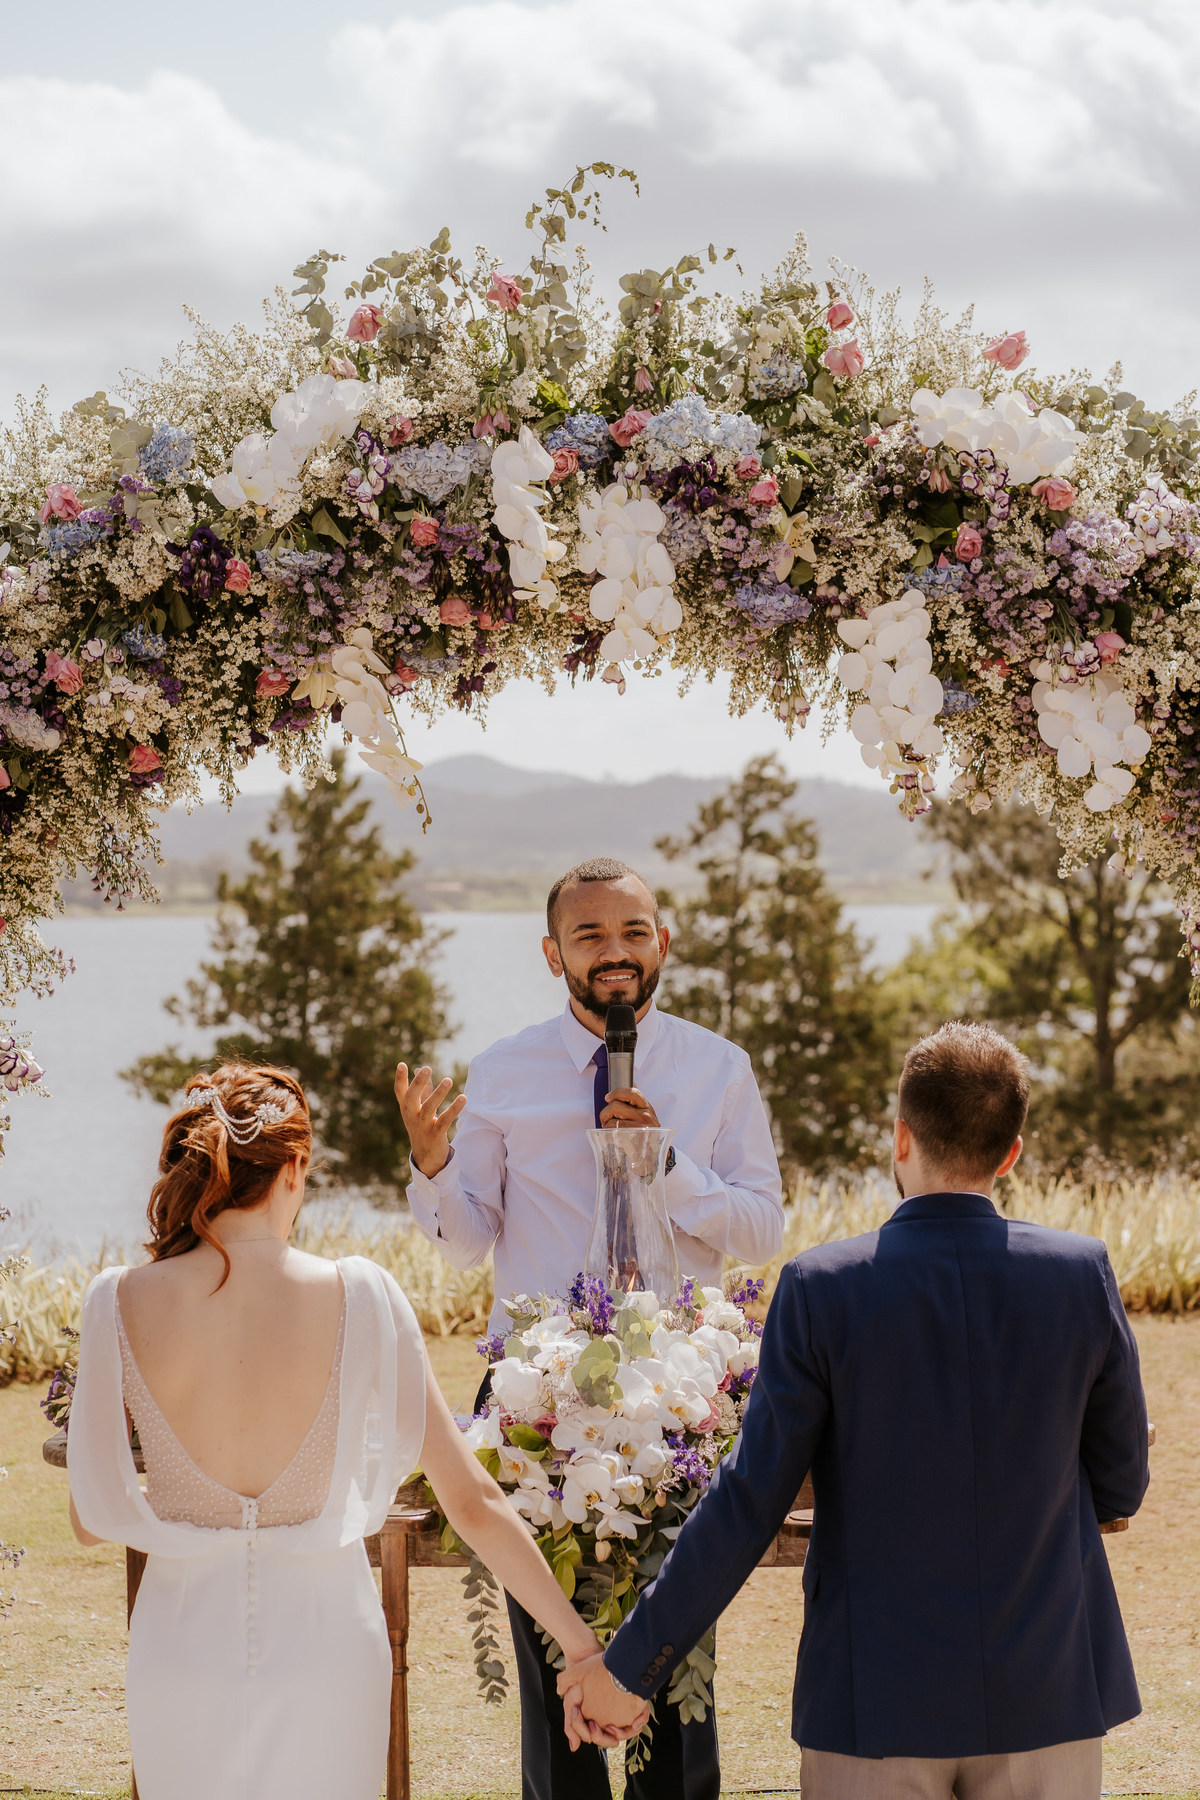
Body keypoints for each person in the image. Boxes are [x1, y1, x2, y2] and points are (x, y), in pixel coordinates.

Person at [559, 1021, 1150, 1800]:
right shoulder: (1080, 1273)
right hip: (1048, 1689)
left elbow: (749, 1502)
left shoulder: (822, 1287)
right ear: (1011, 1153)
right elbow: (1122, 1482)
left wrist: (631, 1667)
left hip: (874, 1700)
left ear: (900, 1138)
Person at [66, 1063, 605, 1800]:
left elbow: (90, 1517)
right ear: (295, 1168)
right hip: (327, 1649)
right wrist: (581, 1648)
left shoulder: (118, 1299)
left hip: (179, 1647)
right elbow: (473, 1503)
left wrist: (192, 1492)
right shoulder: (362, 1293)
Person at [397, 856, 785, 1800]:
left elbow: (762, 1230)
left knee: (675, 1649)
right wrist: (432, 1165)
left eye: (633, 931)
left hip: (679, 1396)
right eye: (590, 934)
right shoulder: (503, 1072)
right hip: (537, 1392)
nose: (615, 951)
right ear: (552, 954)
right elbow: (466, 1241)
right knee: (548, 1664)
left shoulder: (719, 1068)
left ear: (664, 943)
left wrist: (667, 1165)